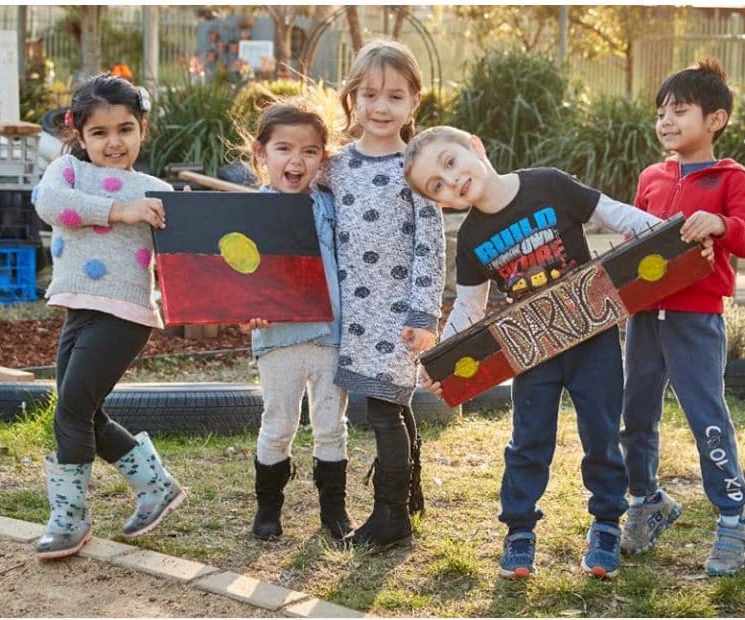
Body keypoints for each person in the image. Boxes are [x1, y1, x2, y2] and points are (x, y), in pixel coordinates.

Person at [404, 125, 711, 580]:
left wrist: (672, 236)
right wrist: (444, 361)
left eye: (450, 164)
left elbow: (613, 214)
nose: (452, 181)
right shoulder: (470, 239)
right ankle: (519, 532)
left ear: (474, 146)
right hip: (530, 350)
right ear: (442, 203)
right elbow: (469, 306)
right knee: (528, 441)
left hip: (594, 339)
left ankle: (606, 525)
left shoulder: (547, 183)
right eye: (438, 186)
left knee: (602, 434)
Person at [619, 58, 745, 576]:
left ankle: (732, 519)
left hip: (695, 320)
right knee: (635, 417)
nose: (666, 121)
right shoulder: (651, 177)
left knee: (707, 420)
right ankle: (646, 502)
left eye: (680, 110)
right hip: (642, 319)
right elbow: (633, 239)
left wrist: (721, 224)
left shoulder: (731, 177)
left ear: (716, 120)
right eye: (661, 112)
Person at [31, 74, 185, 559]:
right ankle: (157, 486)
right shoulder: (67, 175)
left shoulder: (156, 190)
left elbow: (196, 247)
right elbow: (50, 205)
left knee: (71, 410)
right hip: (78, 309)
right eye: (99, 133)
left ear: (142, 129)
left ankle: (70, 519)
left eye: (125, 129)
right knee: (85, 413)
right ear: (79, 135)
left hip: (126, 314)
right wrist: (121, 211)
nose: (113, 142)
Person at [322, 39, 446, 550]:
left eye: (394, 96)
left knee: (383, 410)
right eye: (369, 94)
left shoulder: (417, 170)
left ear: (413, 103)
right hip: (351, 310)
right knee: (394, 406)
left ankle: (390, 515)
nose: (380, 106)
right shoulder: (336, 166)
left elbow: (431, 247)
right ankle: (410, 494)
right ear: (352, 97)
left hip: (396, 314)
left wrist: (423, 312)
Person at [236, 97, 352, 542]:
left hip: (331, 334)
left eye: (309, 151)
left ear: (323, 158)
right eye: (284, 148)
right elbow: (238, 275)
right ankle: (268, 510)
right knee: (278, 423)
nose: (296, 160)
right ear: (260, 154)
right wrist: (244, 310)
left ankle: (333, 511)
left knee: (330, 424)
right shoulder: (250, 214)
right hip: (278, 337)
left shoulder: (330, 205)